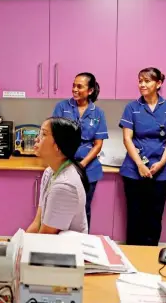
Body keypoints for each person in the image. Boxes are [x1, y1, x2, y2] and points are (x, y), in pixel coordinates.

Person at [119, 67, 166, 246]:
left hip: (161, 171)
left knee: (154, 217)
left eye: (147, 81)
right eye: (140, 80)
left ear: (159, 83)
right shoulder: (132, 107)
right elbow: (127, 138)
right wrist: (140, 164)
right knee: (135, 215)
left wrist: (162, 162)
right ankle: (132, 255)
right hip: (134, 170)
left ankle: (150, 255)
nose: (142, 84)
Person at [52, 72, 108, 227]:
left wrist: (81, 165)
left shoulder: (98, 113)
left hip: (88, 170)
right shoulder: (62, 107)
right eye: (73, 85)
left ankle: (82, 243)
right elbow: (54, 136)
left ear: (90, 90)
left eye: (79, 86)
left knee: (83, 210)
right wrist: (66, 163)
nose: (75, 89)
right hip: (63, 167)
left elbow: (98, 144)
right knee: (60, 210)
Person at [26, 117, 89, 234]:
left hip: (65, 249)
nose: (36, 139)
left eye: (43, 134)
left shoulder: (64, 186)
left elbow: (45, 237)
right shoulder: (50, 172)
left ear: (58, 146)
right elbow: (37, 222)